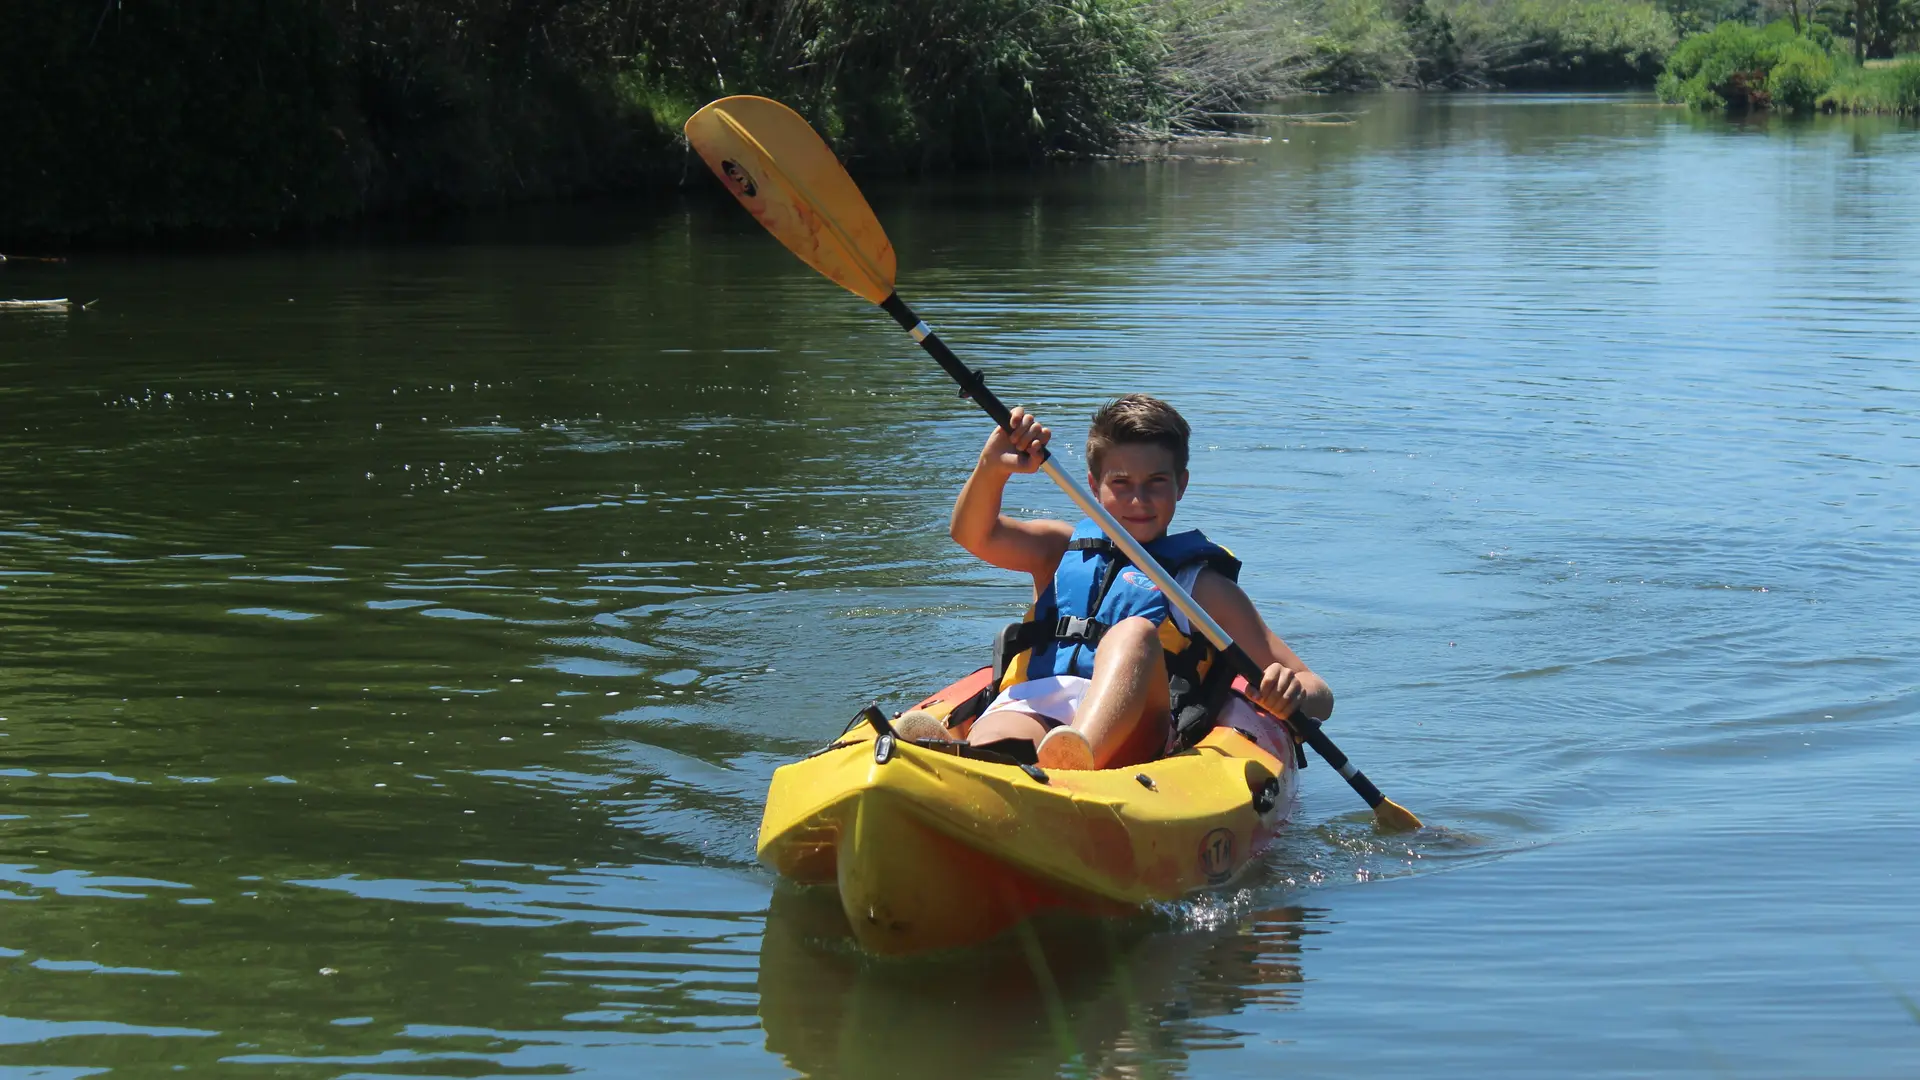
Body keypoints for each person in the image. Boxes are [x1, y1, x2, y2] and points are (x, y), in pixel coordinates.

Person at [897, 394, 1331, 771]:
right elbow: (973, 534)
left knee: (1135, 630)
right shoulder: (1059, 549)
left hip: (1132, 732)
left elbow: (1319, 694)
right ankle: (962, 758)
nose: (1138, 500)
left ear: (1181, 484)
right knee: (1000, 738)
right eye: (1120, 483)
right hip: (1035, 706)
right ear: (1093, 485)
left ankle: (1073, 755)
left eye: (1156, 483)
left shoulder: (1200, 586)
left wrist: (1289, 691)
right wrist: (992, 468)